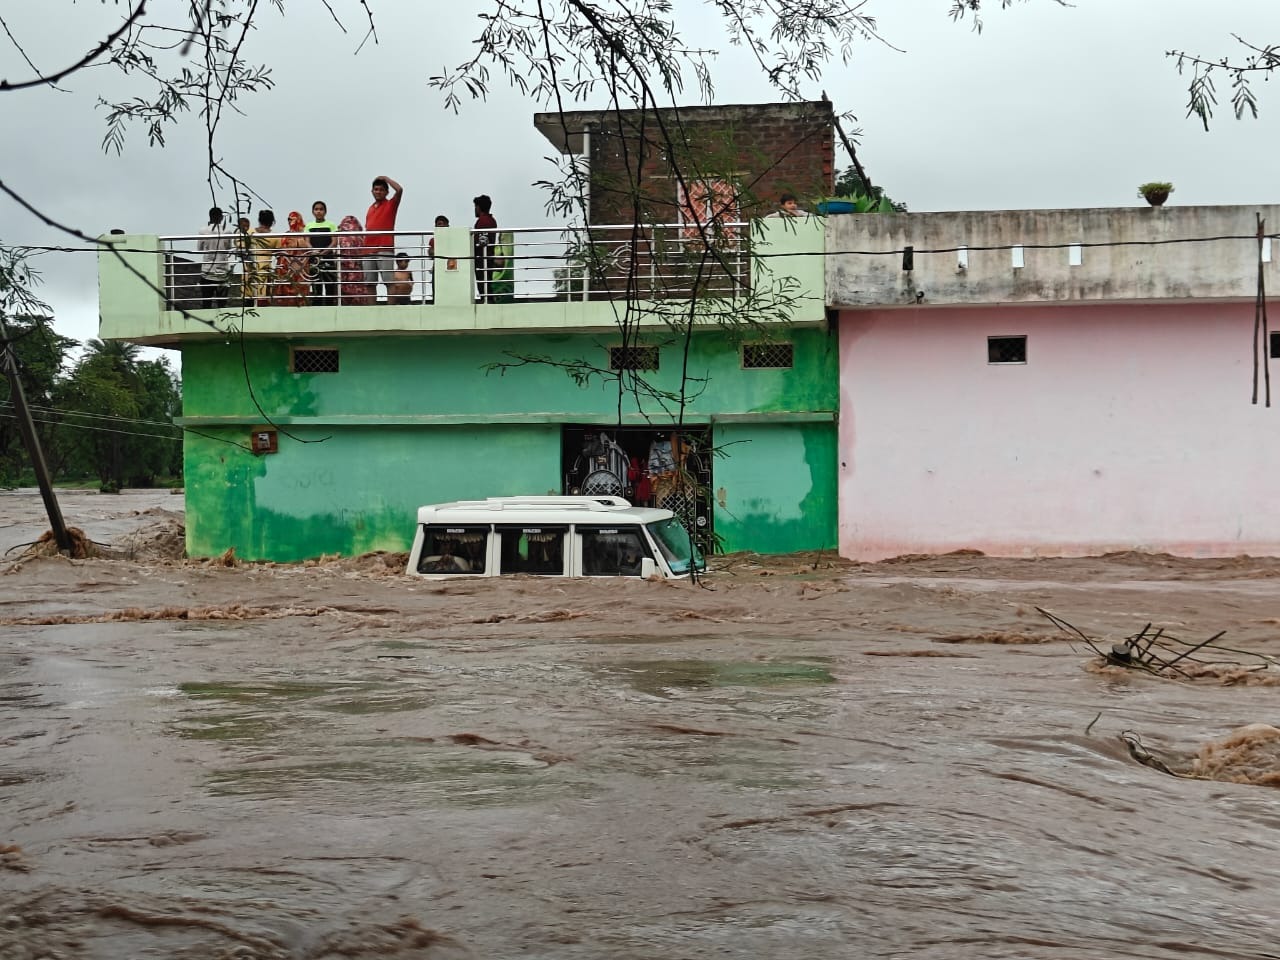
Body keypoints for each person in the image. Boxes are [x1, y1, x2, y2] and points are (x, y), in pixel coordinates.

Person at [364, 175, 403, 301]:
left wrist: (386, 179)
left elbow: (399, 190)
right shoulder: (370, 208)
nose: (378, 192)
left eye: (381, 190)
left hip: (384, 247)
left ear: (386, 192)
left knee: (389, 281)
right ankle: (371, 310)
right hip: (368, 249)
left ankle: (391, 309)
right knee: (369, 283)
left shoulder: (391, 204)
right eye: (376, 189)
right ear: (372, 191)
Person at [305, 201, 339, 305]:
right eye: (316, 209)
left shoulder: (331, 225)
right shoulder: (309, 226)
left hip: (328, 258)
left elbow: (334, 242)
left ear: (325, 211)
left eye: (321, 209)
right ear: (313, 212)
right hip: (314, 259)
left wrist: (323, 252)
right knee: (316, 285)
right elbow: (307, 241)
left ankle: (330, 307)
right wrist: (314, 251)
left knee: (330, 285)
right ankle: (316, 307)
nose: (319, 211)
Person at [196, 206, 231, 309]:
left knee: (206, 304)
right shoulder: (227, 231)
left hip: (207, 271)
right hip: (222, 272)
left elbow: (200, 249)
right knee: (222, 305)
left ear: (210, 216)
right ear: (221, 218)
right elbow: (228, 247)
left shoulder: (203, 231)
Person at [274, 211, 310, 306]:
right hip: (287, 266)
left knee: (300, 288)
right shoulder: (286, 235)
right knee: (286, 288)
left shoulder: (304, 235)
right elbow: (281, 251)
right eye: (289, 219)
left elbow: (308, 250)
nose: (290, 222)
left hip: (300, 266)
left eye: (292, 219)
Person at [337, 216, 373, 305]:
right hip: (358, 271)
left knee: (343, 292)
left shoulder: (340, 237)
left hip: (343, 271)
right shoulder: (361, 238)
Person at [250, 209, 280, 305]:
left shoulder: (250, 232)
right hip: (264, 270)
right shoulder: (274, 236)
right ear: (272, 221)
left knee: (248, 300)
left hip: (249, 269)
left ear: (259, 220)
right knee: (263, 301)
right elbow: (280, 254)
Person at [473, 194, 498, 304]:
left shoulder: (483, 221)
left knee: (483, 282)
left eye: (475, 206)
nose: (475, 209)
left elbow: (480, 240)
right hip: (488, 256)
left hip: (482, 257)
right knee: (487, 281)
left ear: (479, 207)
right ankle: (487, 299)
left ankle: (487, 300)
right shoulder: (491, 220)